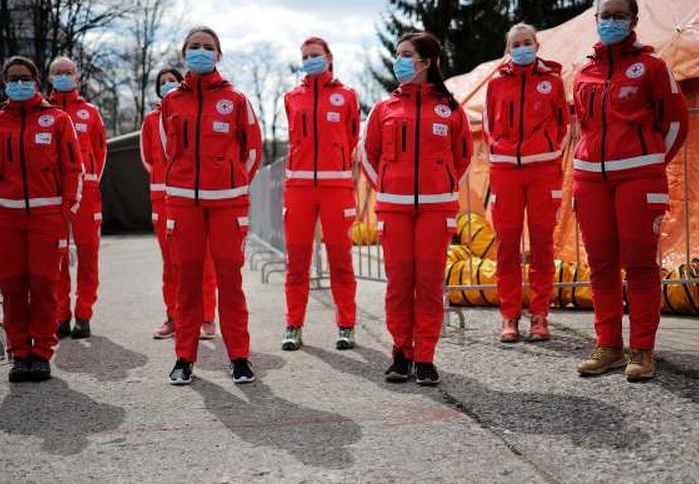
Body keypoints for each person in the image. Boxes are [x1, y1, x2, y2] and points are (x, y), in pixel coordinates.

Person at [572, 0, 688, 381]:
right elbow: (585, 127)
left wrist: (649, 161)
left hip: (639, 178)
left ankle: (642, 350)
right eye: (604, 15)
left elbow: (674, 125)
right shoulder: (583, 70)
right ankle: (608, 346)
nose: (610, 21)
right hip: (589, 180)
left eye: (618, 15)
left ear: (634, 21)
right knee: (601, 264)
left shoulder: (653, 66)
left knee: (639, 264)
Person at [360, 32, 473, 385]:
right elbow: (368, 156)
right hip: (393, 209)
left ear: (426, 62)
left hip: (437, 209)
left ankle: (425, 356)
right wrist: (390, 188)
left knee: (427, 283)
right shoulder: (384, 108)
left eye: (407, 54)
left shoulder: (450, 108)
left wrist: (443, 184)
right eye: (398, 54)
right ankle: (401, 352)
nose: (400, 61)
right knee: (398, 283)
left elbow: (464, 156)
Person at [0, 56, 83, 382]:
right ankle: (20, 353)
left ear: (35, 81)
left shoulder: (58, 120)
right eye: (13, 78)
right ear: (5, 83)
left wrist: (67, 211)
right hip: (4, 220)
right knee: (13, 288)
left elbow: (73, 169)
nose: (19, 83)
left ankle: (42, 353)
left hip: (47, 219)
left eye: (25, 78)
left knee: (45, 287)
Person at [161, 26, 262, 385]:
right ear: (184, 54)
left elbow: (251, 152)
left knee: (229, 280)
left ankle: (239, 357)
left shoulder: (236, 99)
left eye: (207, 47)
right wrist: (182, 185)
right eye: (194, 47)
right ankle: (184, 358)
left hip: (227, 204)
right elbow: (166, 150)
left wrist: (232, 184)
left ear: (218, 55)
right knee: (186, 281)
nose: (200, 52)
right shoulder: (171, 101)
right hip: (184, 204)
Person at [483, 23, 568, 343]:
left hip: (543, 171)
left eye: (527, 42)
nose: (522, 48)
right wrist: (501, 151)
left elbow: (563, 123)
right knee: (506, 245)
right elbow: (490, 126)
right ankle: (509, 315)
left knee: (543, 244)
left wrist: (544, 149)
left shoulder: (553, 81)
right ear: (508, 50)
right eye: (515, 44)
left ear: (537, 44)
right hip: (505, 171)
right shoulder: (495, 85)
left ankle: (540, 315)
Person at [281, 36, 359, 351]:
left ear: (329, 57)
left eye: (315, 54)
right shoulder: (291, 97)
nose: (310, 59)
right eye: (305, 56)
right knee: (297, 261)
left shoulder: (347, 95)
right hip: (298, 187)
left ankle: (346, 326)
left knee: (340, 259)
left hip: (336, 187)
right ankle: (293, 325)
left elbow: (352, 136)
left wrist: (335, 160)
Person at [140, 68, 218, 340]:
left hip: (193, 195)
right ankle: (174, 317)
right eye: (162, 82)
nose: (168, 85)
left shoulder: (192, 112)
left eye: (172, 80)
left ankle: (207, 318)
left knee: (205, 260)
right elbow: (148, 158)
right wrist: (164, 177)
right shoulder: (150, 120)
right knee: (171, 263)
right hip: (162, 197)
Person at [48, 56, 107, 340]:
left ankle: (84, 314)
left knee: (88, 253)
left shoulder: (90, 112)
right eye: (58, 73)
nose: (63, 77)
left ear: (77, 77)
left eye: (68, 72)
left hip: (87, 193)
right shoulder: (43, 112)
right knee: (57, 255)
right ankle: (61, 315)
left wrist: (91, 181)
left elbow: (101, 151)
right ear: (49, 78)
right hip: (53, 195)